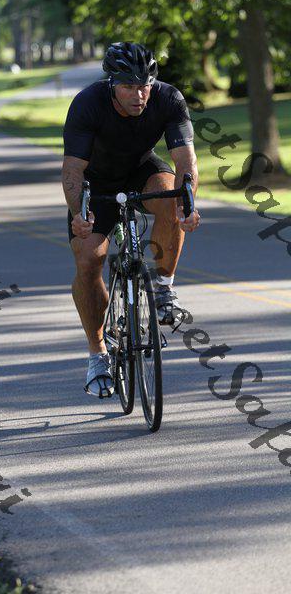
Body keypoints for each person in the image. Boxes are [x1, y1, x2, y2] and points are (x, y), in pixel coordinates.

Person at [62, 41, 200, 398]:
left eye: (144, 85)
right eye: (128, 86)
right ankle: (97, 355)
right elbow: (73, 171)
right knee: (88, 259)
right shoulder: (87, 104)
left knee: (171, 198)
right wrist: (79, 213)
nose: (139, 95)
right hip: (97, 182)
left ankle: (164, 288)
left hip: (141, 169)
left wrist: (187, 203)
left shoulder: (168, 99)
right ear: (111, 84)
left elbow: (186, 161)